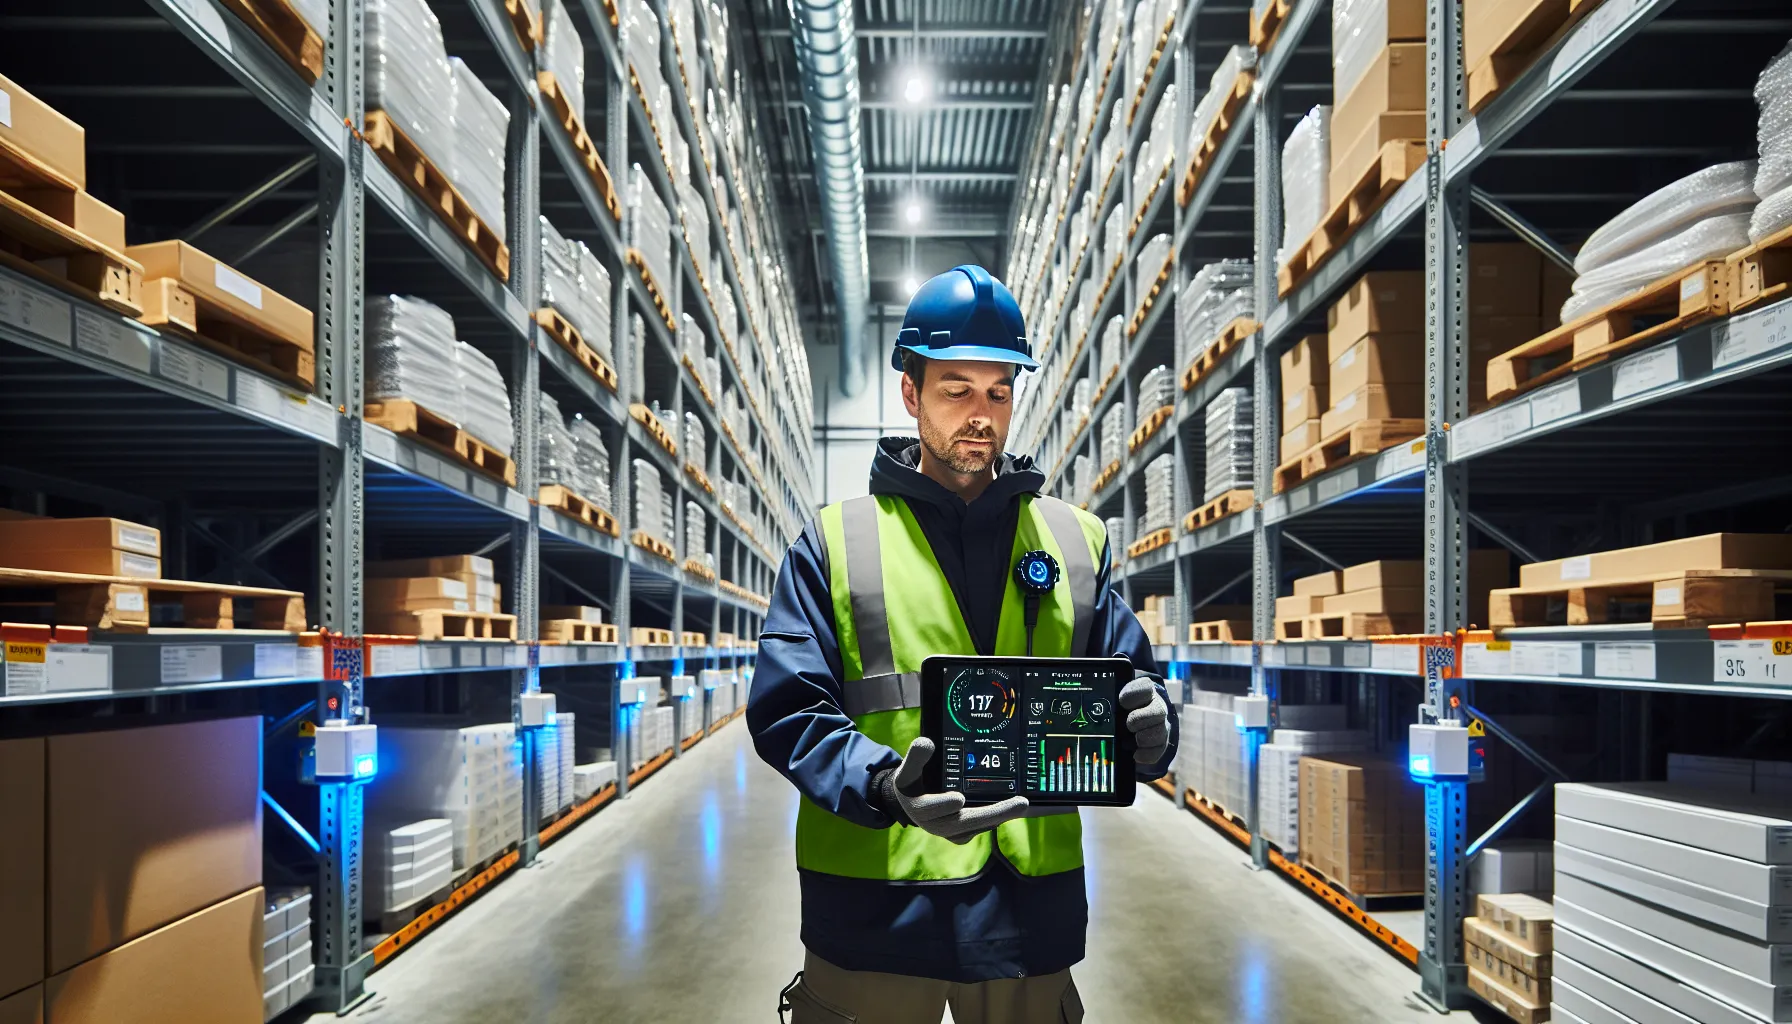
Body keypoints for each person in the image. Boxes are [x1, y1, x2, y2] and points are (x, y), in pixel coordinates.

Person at [748, 265, 1179, 1024]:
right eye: (956, 390)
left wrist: (1152, 728)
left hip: (1028, 916)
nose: (981, 416)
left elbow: (1129, 683)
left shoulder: (1075, 541)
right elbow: (787, 709)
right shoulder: (837, 542)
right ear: (911, 394)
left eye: (998, 393)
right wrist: (884, 786)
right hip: (878, 910)